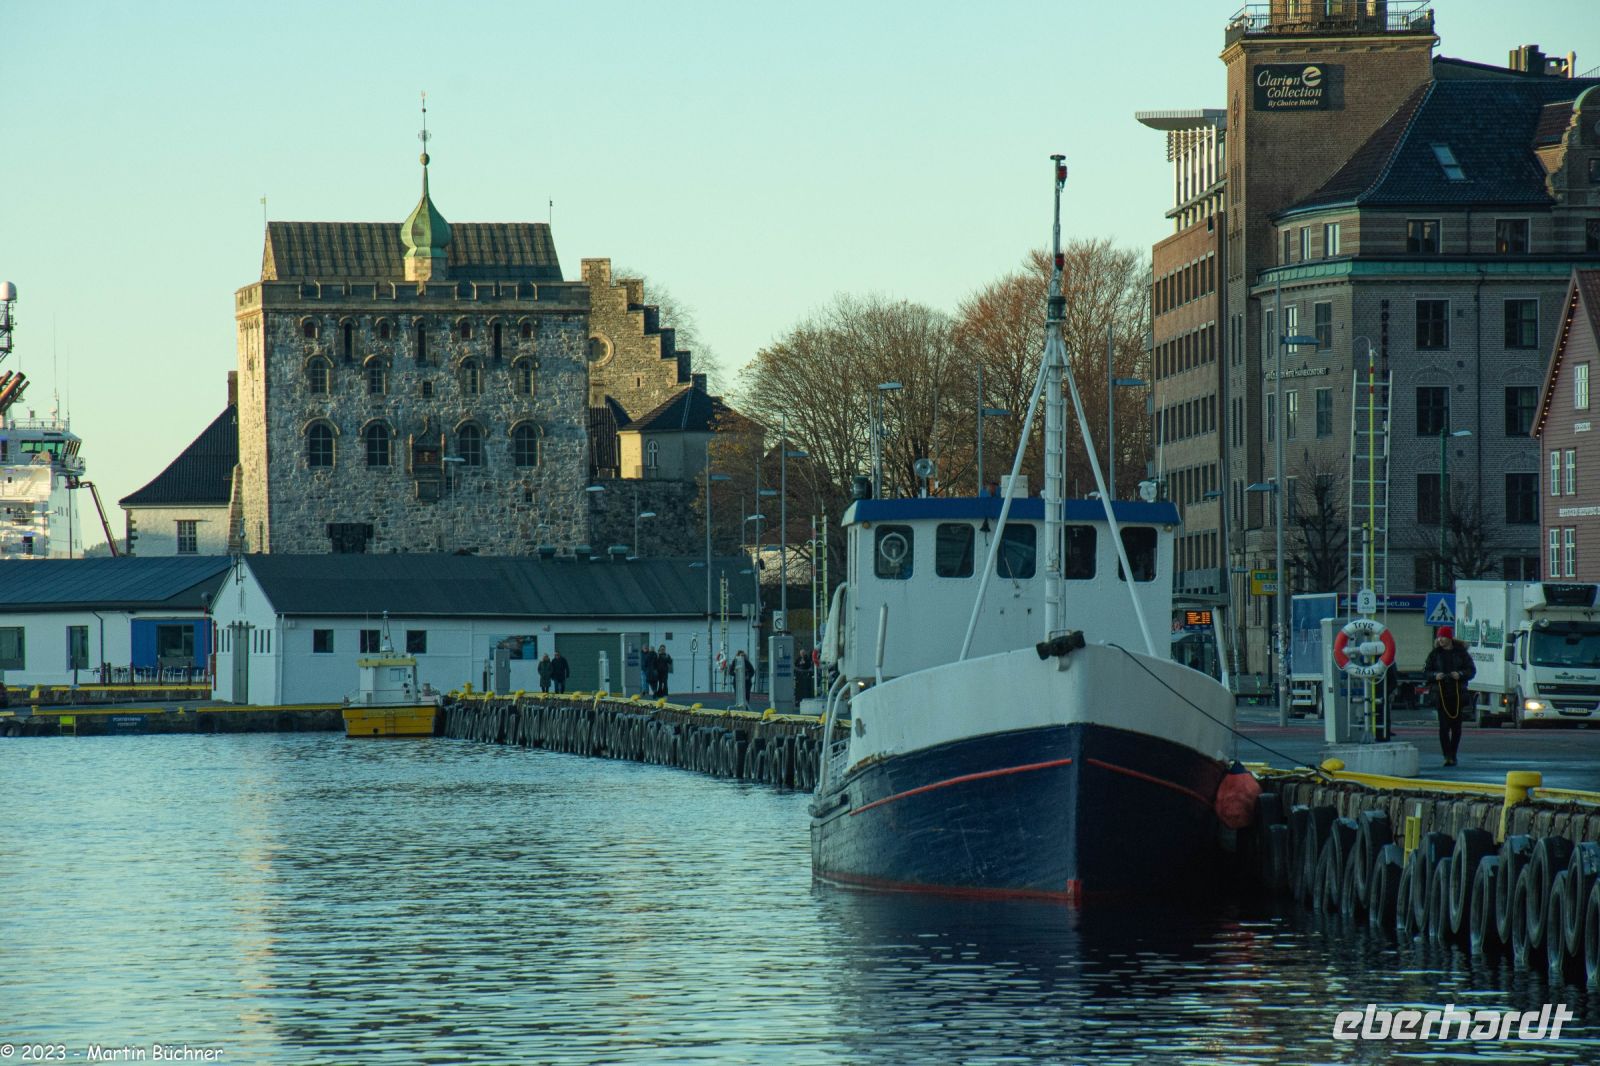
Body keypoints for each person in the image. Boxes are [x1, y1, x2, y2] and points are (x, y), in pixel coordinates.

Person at [1423, 625, 1475, 766]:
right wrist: (1435, 675)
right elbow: (1426, 672)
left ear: (1449, 638)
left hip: (1457, 694)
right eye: (1439, 637)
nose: (1440, 640)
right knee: (1443, 727)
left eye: (1443, 637)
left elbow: (1471, 670)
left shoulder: (1461, 653)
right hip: (1441, 695)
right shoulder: (1434, 654)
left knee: (1456, 727)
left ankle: (1454, 754)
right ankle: (1447, 755)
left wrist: (1460, 674)